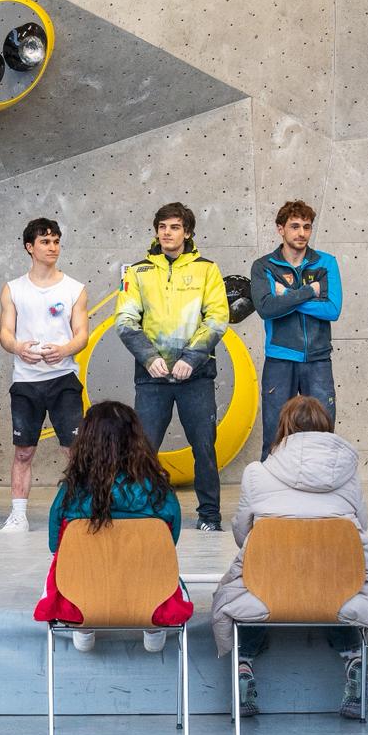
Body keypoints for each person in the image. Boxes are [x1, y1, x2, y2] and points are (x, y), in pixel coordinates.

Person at [211, 395, 368, 718]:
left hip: (271, 586)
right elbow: (359, 527)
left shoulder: (256, 472)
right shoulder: (348, 472)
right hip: (334, 585)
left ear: (283, 427)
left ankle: (244, 664)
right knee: (328, 579)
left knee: (255, 576)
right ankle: (353, 656)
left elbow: (242, 534)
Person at [34, 400, 189, 651]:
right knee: (160, 561)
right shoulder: (160, 492)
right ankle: (153, 624)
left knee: (65, 561)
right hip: (150, 589)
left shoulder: (70, 493)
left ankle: (84, 623)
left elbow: (56, 546)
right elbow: (170, 541)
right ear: (138, 441)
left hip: (81, 593)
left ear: (86, 442)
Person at [115, 201, 229, 530]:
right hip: (152, 378)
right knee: (143, 449)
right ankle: (143, 511)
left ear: (187, 232)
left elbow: (217, 318)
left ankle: (210, 516)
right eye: (162, 227)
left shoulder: (208, 269)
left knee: (204, 448)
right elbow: (124, 320)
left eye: (175, 227)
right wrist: (149, 358)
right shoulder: (136, 272)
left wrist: (190, 360)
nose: (167, 233)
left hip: (197, 377)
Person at [0, 217, 89, 533]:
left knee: (74, 450)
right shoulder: (13, 289)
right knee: (23, 451)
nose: (52, 247)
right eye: (45, 242)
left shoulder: (75, 289)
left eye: (56, 241)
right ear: (29, 247)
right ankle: (18, 515)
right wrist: (17, 347)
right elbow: (5, 333)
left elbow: (81, 335)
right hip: (26, 381)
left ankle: (82, 509)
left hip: (63, 379)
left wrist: (64, 350)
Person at [251, 199, 342, 460]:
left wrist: (286, 295)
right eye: (294, 226)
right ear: (280, 229)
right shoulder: (264, 266)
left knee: (323, 434)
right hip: (280, 358)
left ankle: (322, 483)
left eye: (306, 227)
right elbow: (266, 308)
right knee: (274, 435)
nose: (301, 233)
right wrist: (309, 291)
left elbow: (332, 309)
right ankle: (271, 485)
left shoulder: (326, 263)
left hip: (318, 359)